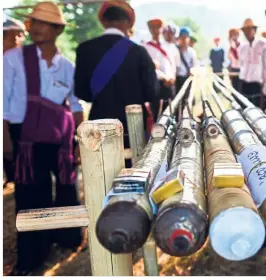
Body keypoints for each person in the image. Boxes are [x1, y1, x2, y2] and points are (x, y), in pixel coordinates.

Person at [3, 2, 83, 275]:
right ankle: (32, 256)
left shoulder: (67, 66)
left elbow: (75, 105)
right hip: (24, 138)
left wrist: (79, 140)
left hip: (61, 140)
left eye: (43, 23)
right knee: (29, 196)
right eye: (33, 22)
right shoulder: (13, 58)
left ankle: (68, 239)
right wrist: (5, 140)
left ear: (57, 29)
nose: (35, 27)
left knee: (66, 188)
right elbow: (3, 103)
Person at [74, 1, 158, 168]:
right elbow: (151, 92)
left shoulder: (84, 49)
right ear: (128, 23)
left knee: (100, 174)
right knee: (133, 172)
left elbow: (81, 92)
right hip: (132, 128)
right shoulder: (139, 52)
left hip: (99, 125)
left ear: (104, 21)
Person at [3, 18, 26, 188]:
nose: (17, 39)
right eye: (13, 35)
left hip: (19, 125)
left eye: (20, 35)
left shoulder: (25, 60)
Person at [143, 18, 175, 120]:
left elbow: (171, 64)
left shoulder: (168, 46)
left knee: (170, 112)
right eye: (153, 27)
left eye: (158, 27)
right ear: (149, 29)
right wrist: (164, 77)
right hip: (156, 84)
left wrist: (171, 76)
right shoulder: (145, 46)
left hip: (169, 84)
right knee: (157, 114)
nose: (156, 29)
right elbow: (149, 67)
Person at [238, 18, 266, 107]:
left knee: (260, 111)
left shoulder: (264, 45)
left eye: (249, 29)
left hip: (259, 85)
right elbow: (242, 67)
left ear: (254, 30)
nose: (246, 32)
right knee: (245, 110)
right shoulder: (242, 47)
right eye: (244, 30)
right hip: (245, 83)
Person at [176, 26, 197, 97]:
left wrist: (192, 70)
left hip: (188, 78)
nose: (184, 40)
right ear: (179, 38)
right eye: (182, 37)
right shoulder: (174, 50)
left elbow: (195, 66)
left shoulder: (192, 52)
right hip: (177, 79)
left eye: (185, 37)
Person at [162, 22, 181, 90]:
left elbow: (177, 66)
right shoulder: (159, 46)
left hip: (172, 80)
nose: (169, 35)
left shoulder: (175, 49)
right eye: (167, 32)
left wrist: (173, 77)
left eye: (171, 33)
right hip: (161, 80)